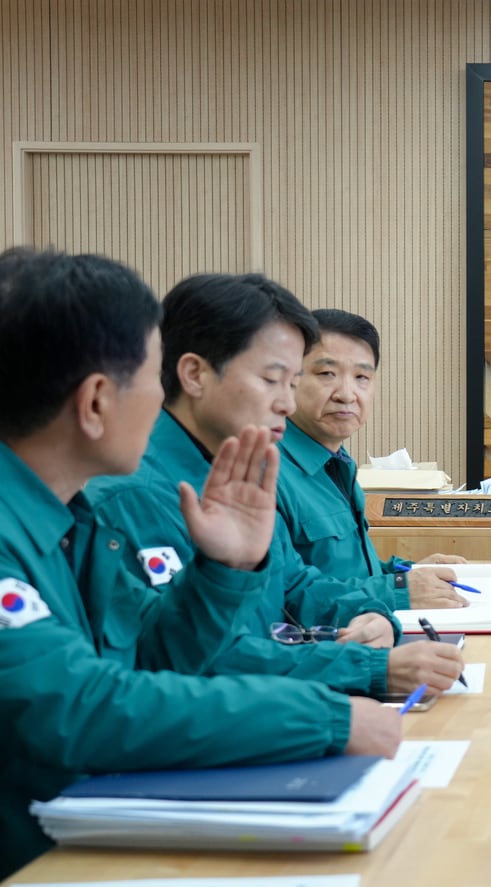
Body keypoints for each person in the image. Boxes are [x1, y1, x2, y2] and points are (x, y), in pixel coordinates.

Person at [0, 248, 400, 879]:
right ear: (98, 400)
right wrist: (323, 714)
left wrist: (223, 570)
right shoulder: (71, 511)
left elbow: (148, 654)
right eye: (150, 376)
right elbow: (80, 706)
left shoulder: (76, 516)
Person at [86, 273, 464, 699]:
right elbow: (198, 659)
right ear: (194, 374)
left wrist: (377, 616)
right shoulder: (137, 492)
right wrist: (369, 667)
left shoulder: (230, 469)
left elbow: (295, 587)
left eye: (292, 382)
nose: (286, 403)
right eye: (272, 380)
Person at [278, 308, 465, 579]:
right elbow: (287, 596)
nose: (346, 394)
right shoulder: (266, 469)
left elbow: (348, 574)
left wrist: (406, 572)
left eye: (361, 377)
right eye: (327, 373)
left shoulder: (339, 463)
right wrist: (400, 591)